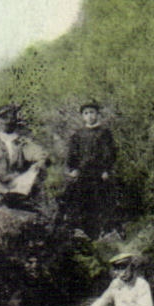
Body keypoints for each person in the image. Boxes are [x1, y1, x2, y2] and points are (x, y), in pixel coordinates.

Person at [59, 100, 119, 237]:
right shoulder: (78, 134)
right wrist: (73, 169)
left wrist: (106, 169)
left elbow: (109, 153)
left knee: (101, 200)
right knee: (81, 200)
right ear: (82, 116)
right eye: (86, 113)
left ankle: (104, 231)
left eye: (92, 112)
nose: (89, 116)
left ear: (98, 114)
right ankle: (82, 231)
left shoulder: (104, 133)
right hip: (83, 173)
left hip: (99, 173)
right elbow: (73, 153)